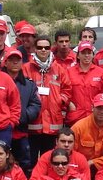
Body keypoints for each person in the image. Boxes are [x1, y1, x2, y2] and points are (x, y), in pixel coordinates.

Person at [23, 35, 69, 163]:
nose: (43, 50)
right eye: (40, 47)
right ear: (35, 49)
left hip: (53, 125)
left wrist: (60, 100)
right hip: (32, 124)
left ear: (50, 49)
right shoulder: (26, 68)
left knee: (49, 161)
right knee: (30, 161)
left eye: (46, 47)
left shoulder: (59, 69)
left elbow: (67, 89)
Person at [3, 47, 42, 173]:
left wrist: (22, 116)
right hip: (1, 131)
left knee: (24, 166)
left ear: (22, 63)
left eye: (18, 60)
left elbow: (36, 105)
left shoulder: (29, 85)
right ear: (5, 62)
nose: (15, 62)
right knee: (1, 164)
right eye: (11, 60)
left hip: (21, 133)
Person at [71, 93, 103, 178]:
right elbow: (70, 152)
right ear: (92, 108)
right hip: (81, 167)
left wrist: (93, 162)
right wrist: (83, 164)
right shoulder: (79, 127)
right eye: (99, 107)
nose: (102, 111)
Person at [66, 40, 103, 125]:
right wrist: (69, 103)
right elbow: (63, 91)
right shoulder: (69, 72)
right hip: (75, 118)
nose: (87, 55)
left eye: (89, 53)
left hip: (94, 118)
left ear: (93, 55)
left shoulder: (101, 73)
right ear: (78, 56)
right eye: (83, 53)